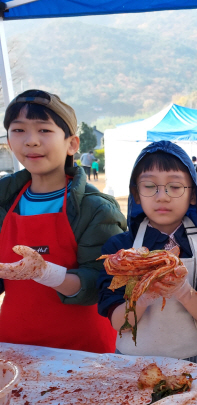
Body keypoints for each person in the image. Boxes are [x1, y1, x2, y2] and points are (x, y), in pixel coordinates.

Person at [0, 89, 126, 353]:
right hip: (14, 346)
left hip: (82, 352)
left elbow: (103, 282)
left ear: (72, 144)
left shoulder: (95, 208)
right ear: (9, 141)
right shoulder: (4, 201)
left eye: (44, 130)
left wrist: (46, 273)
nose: (31, 141)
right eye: (18, 130)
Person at [97, 141, 197, 365]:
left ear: (193, 195)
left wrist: (183, 290)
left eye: (175, 187)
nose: (162, 196)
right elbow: (119, 322)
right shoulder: (119, 252)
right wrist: (145, 295)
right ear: (136, 194)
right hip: (133, 363)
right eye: (149, 186)